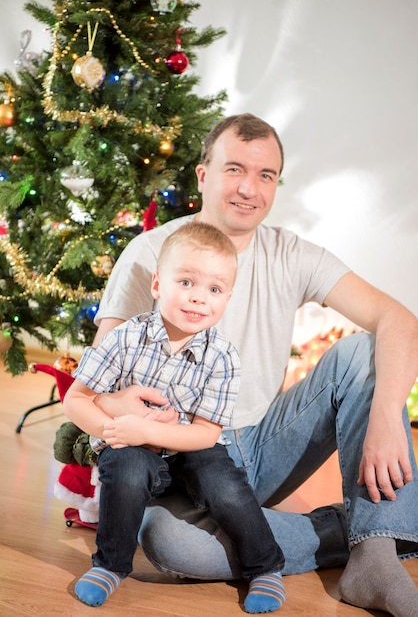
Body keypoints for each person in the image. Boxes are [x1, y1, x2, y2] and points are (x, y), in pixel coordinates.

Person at [92, 114, 418, 616]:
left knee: (361, 352)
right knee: (173, 546)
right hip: (175, 456)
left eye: (266, 175)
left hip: (262, 443)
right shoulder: (150, 253)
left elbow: (397, 318)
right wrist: (125, 410)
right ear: (203, 175)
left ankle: (374, 557)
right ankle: (359, 527)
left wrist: (386, 417)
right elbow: (99, 377)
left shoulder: (291, 254)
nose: (250, 188)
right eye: (235, 169)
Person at [63, 221, 286, 613]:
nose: (199, 298)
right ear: (157, 285)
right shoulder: (127, 336)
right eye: (186, 282)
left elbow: (205, 435)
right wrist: (113, 431)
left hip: (189, 447)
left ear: (227, 298)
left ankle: (264, 567)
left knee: (225, 482)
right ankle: (111, 565)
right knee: (126, 466)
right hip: (134, 447)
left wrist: (145, 427)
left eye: (214, 289)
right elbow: (76, 399)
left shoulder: (223, 357)